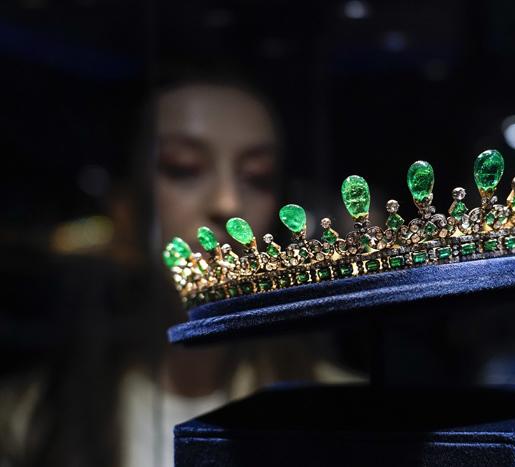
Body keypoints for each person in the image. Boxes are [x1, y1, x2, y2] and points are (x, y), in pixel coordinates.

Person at [0, 77, 360, 467]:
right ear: (125, 201)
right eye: (183, 168)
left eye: (258, 176)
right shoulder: (26, 420)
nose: (228, 202)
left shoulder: (349, 413)